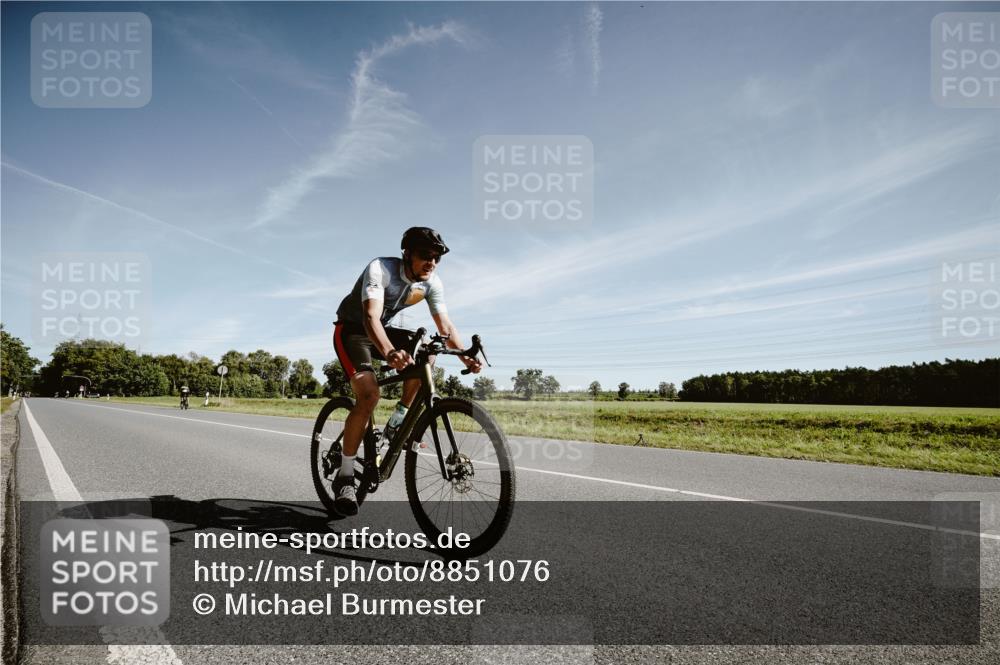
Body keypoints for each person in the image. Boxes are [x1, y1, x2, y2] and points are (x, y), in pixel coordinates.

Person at [331, 227, 482, 515]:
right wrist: (389, 351)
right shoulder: (381, 269)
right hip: (352, 330)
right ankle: (346, 476)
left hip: (380, 330)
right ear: (407, 253)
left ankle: (398, 419)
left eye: (437, 258)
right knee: (369, 394)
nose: (432, 263)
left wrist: (465, 357)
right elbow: (370, 316)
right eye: (426, 256)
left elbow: (445, 328)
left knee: (428, 351)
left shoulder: (431, 282)